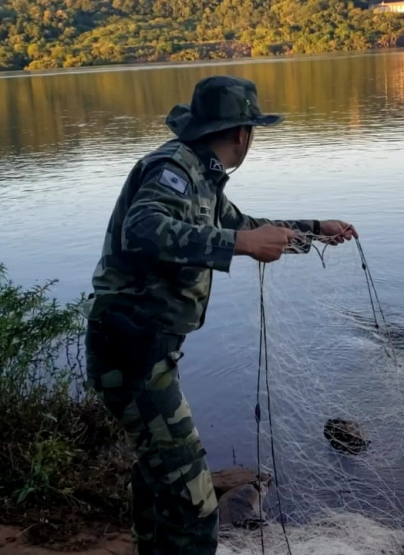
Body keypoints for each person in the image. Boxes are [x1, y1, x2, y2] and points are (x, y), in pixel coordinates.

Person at [82, 75, 357, 555]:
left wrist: (315, 230)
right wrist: (239, 245)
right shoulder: (174, 167)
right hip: (132, 353)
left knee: (156, 481)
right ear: (242, 133)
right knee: (194, 505)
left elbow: (246, 227)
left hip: (142, 353)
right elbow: (142, 228)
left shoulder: (202, 178)